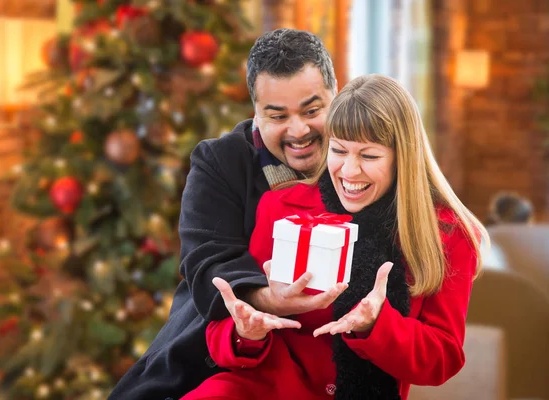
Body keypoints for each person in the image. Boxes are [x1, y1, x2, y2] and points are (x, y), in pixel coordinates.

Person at [182, 74, 489, 400]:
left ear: (403, 158)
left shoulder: (447, 233)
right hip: (258, 389)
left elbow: (442, 359)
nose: (349, 171)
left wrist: (376, 325)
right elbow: (223, 334)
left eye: (369, 156)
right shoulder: (281, 206)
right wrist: (246, 331)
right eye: (339, 151)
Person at [108, 29, 346, 400]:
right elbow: (207, 264)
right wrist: (267, 297)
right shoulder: (219, 162)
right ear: (255, 111)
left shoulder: (360, 162)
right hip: (212, 357)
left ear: (337, 97)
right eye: (277, 115)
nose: (299, 130)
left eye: (312, 111)